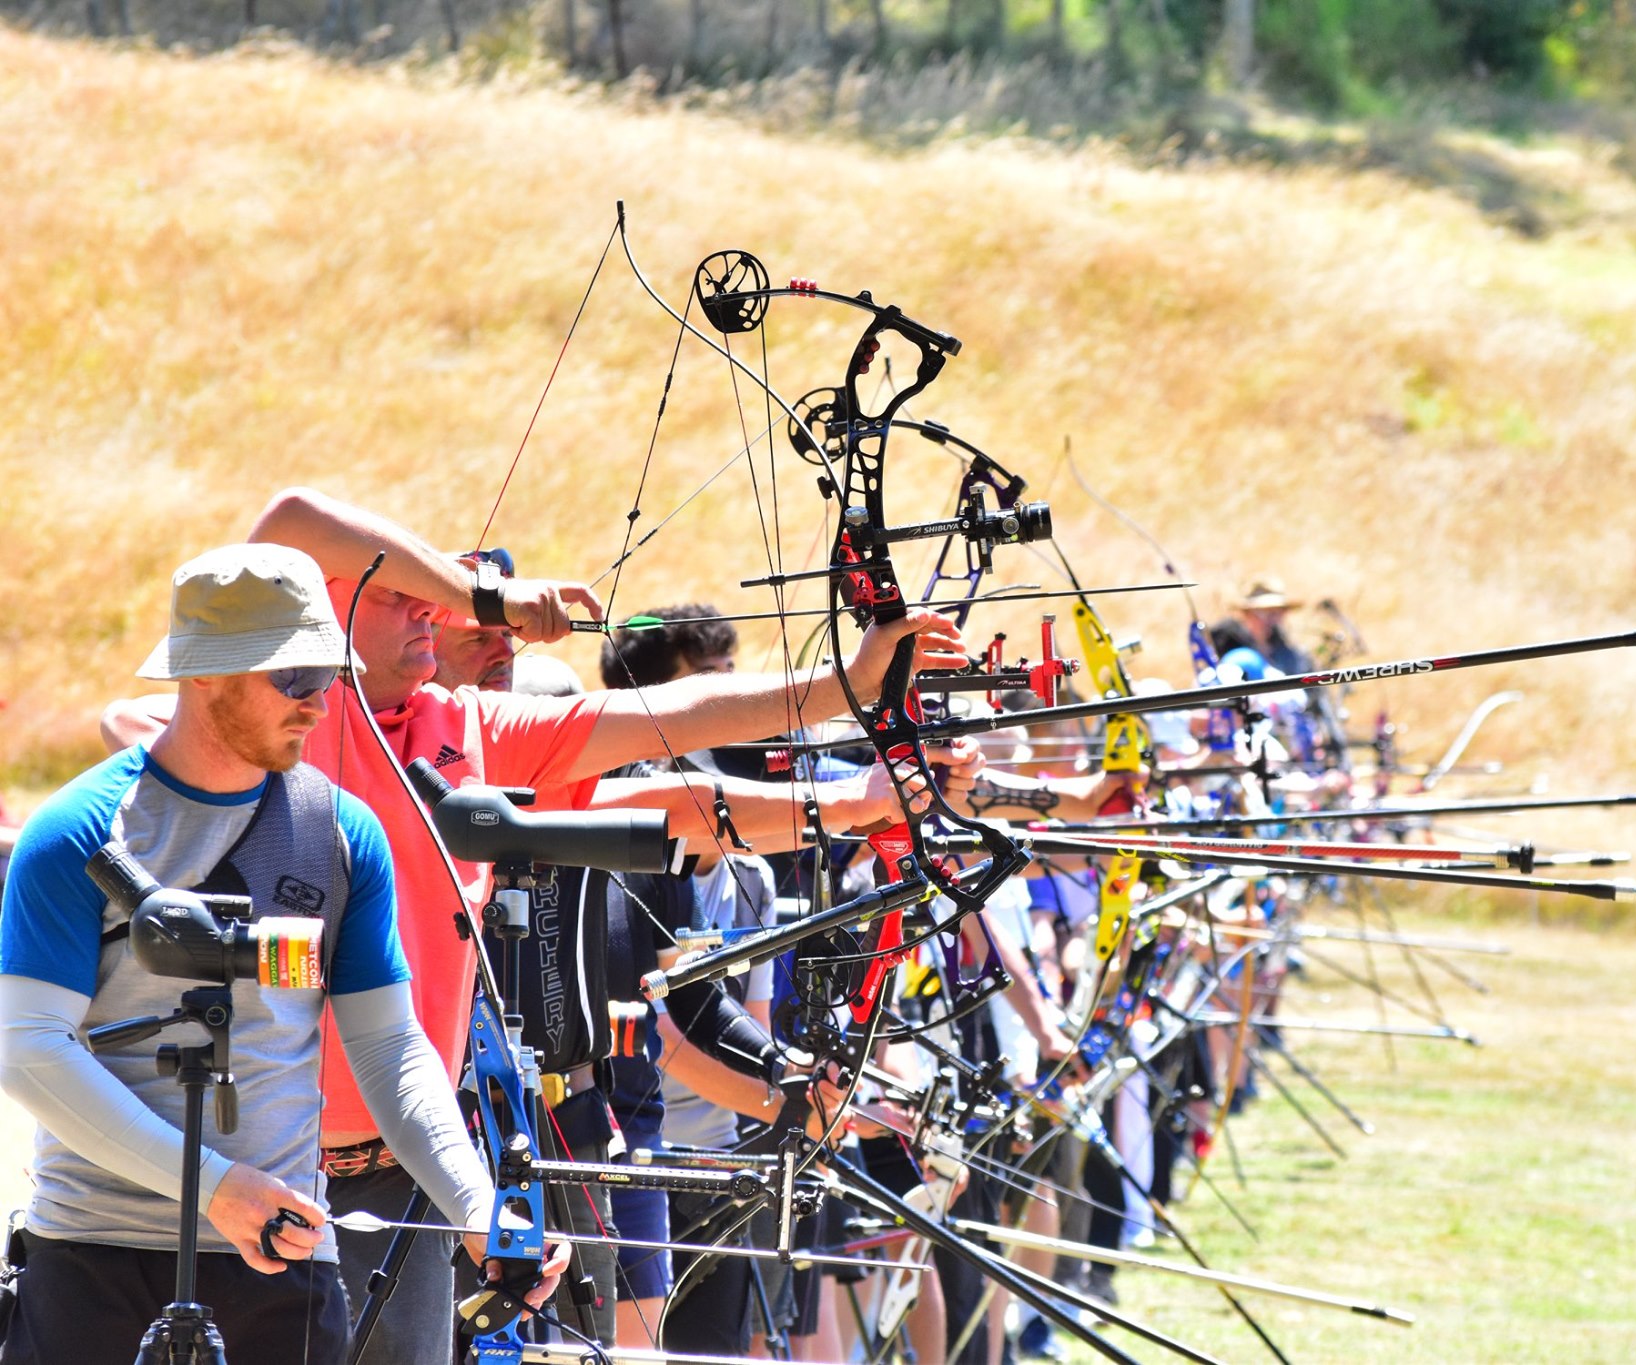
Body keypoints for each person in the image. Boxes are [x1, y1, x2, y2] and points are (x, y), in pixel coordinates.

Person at [98, 488, 971, 1364]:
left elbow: (668, 747)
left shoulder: (466, 726)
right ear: (331, 613)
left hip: (412, 1170)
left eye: (428, 598)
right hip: (264, 1162)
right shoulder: (313, 724)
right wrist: (489, 598)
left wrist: (845, 698)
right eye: (400, 592)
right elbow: (289, 517)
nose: (427, 610)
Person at [0, 543, 562, 1364]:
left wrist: (478, 1209)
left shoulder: (343, 832)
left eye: (328, 677)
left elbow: (390, 1048)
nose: (318, 704)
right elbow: (28, 1050)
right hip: (94, 1254)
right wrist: (219, 1189)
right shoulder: (77, 829)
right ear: (204, 674)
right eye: (293, 679)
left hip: (281, 1258)